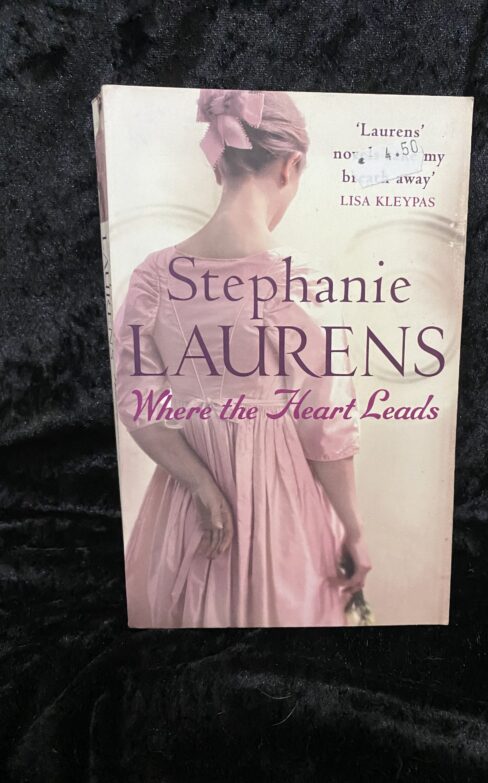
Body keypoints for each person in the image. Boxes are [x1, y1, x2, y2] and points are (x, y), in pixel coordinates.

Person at [114, 89, 371, 627]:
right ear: (291, 166)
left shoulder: (152, 278)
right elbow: (324, 427)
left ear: (219, 164)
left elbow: (139, 407)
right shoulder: (300, 282)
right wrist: (353, 528)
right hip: (278, 505)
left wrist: (201, 484)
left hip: (185, 501)